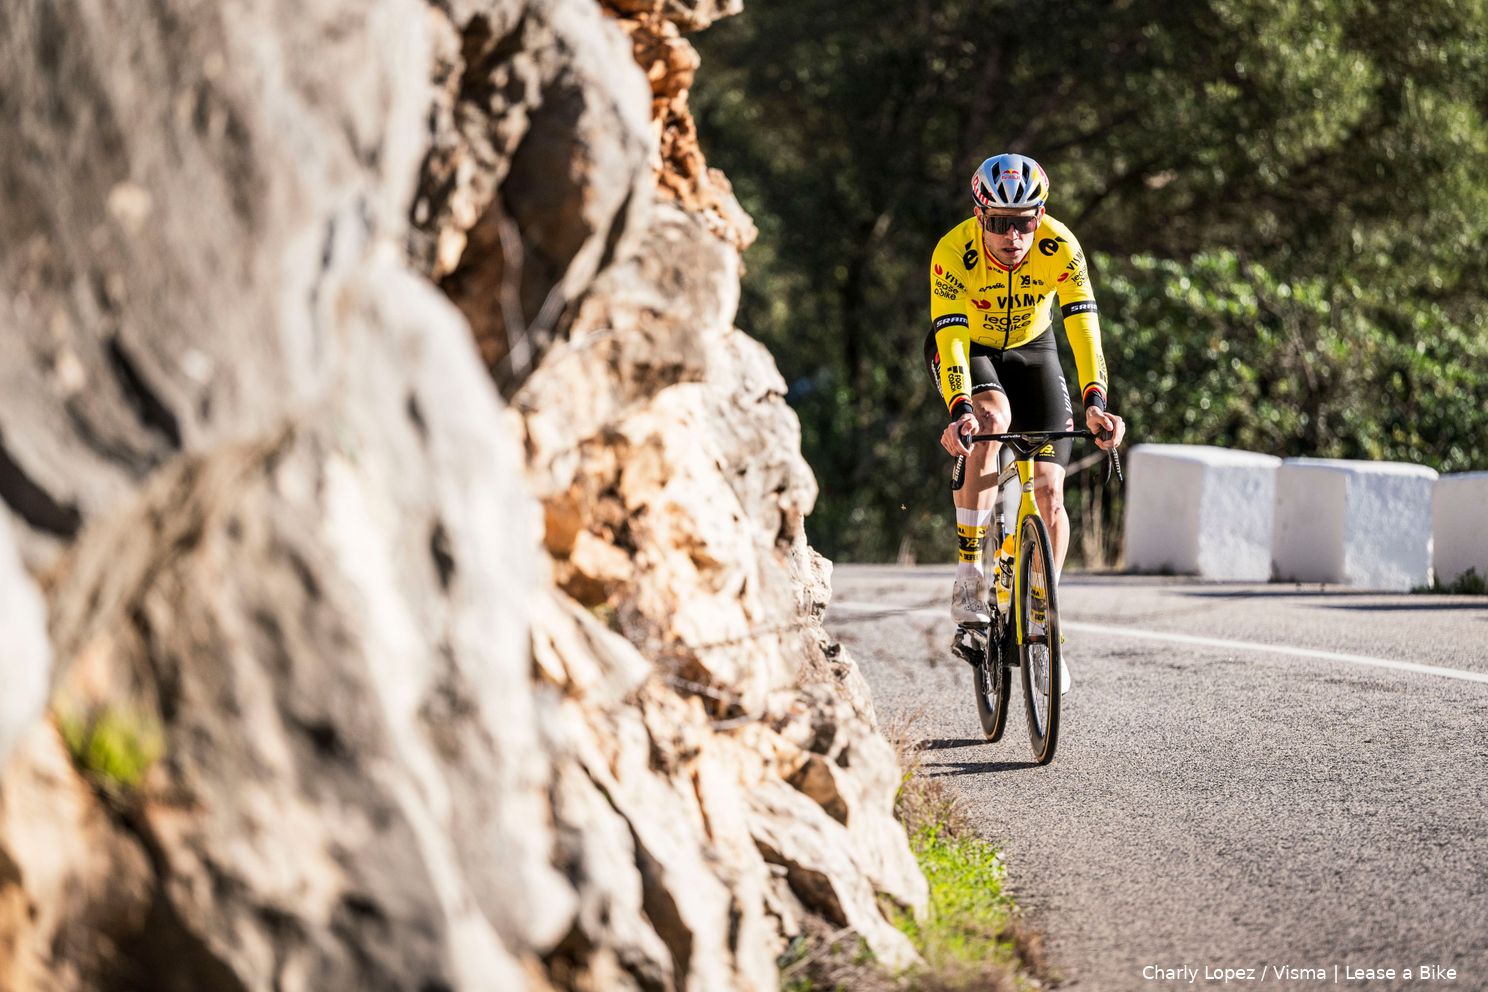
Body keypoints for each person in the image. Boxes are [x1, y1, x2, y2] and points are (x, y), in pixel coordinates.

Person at [926, 152, 1125, 693]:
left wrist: (1095, 401)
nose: (1013, 236)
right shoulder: (953, 252)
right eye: (999, 223)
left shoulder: (1060, 246)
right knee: (994, 418)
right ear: (979, 217)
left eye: (1024, 222)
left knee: (1050, 494)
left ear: (1040, 219)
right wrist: (960, 409)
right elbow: (951, 341)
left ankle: (1043, 619)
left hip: (1035, 351)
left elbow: (1082, 327)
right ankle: (970, 575)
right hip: (973, 349)